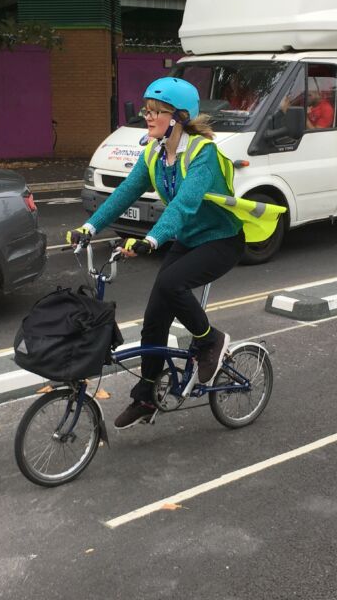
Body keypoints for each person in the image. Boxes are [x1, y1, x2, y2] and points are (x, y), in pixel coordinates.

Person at [67, 77, 245, 430]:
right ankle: (147, 395)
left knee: (173, 283)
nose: (147, 117)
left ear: (177, 117)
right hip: (190, 239)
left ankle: (210, 340)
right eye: (146, 110)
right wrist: (90, 228)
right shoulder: (154, 154)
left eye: (156, 112)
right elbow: (124, 194)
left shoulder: (202, 154)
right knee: (155, 315)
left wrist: (152, 239)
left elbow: (184, 204)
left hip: (221, 239)